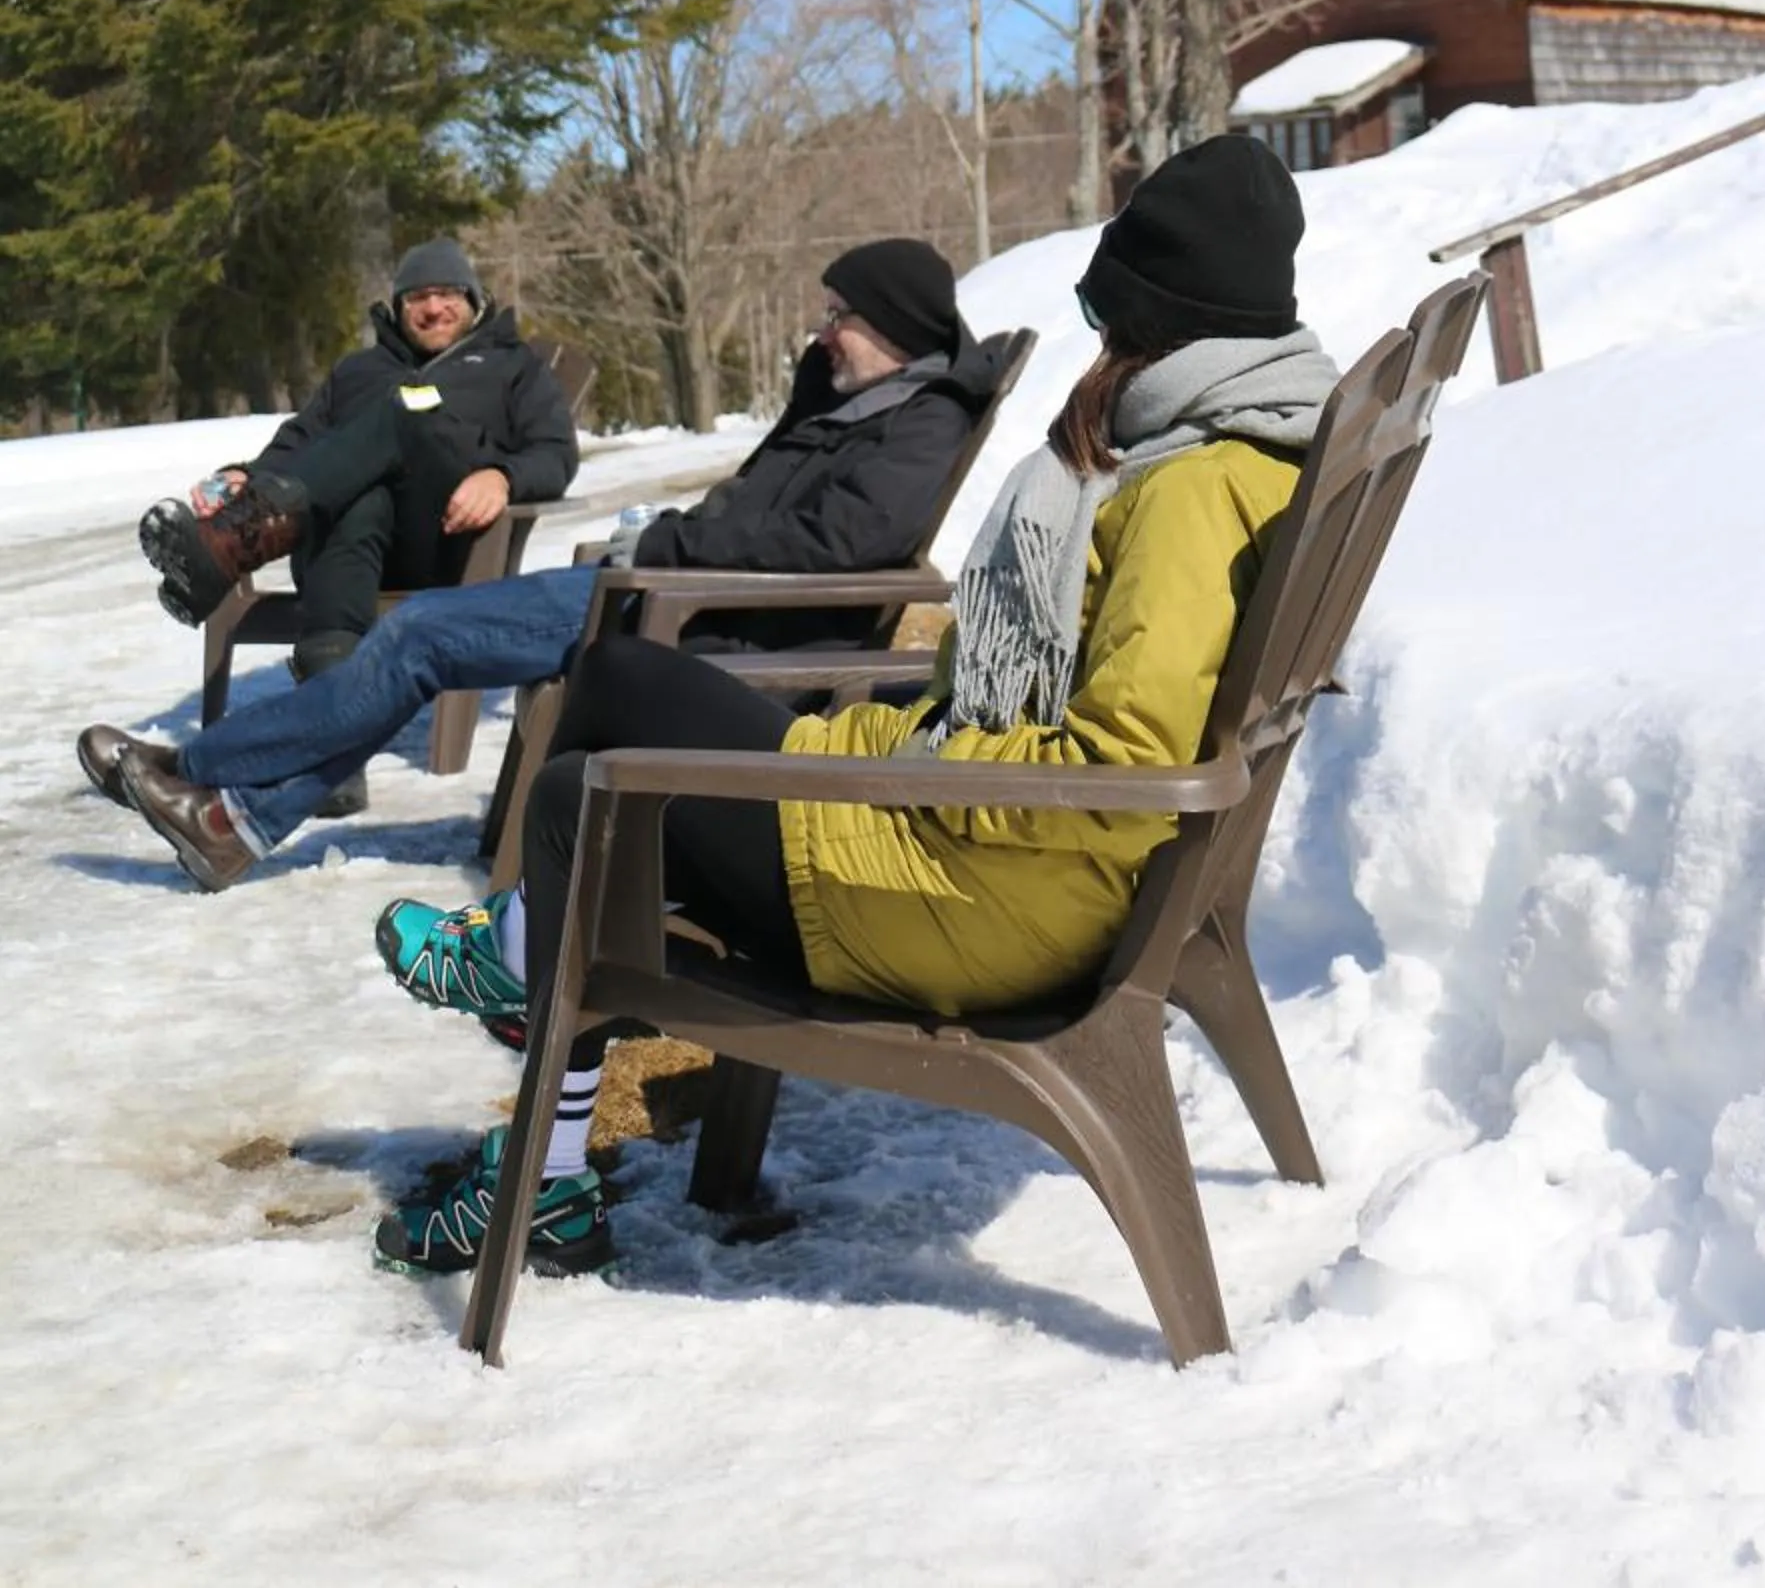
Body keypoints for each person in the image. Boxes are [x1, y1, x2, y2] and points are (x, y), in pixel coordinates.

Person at [367, 134, 1341, 1281]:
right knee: (623, 684)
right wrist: (872, 743)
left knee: (589, 793)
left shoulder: (1188, 488)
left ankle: (535, 1101)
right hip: (990, 864)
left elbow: (1119, 770)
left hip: (973, 898)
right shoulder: (1242, 449)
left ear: (1154, 318)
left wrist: (907, 778)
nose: (1097, 343)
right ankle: (530, 1001)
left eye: (1109, 313)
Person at [81, 238, 1002, 887]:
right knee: (420, 625)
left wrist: (666, 543)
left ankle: (199, 768)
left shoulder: (921, 417)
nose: (822, 332)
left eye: (838, 317)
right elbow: (770, 513)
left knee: (424, 634)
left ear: (891, 324)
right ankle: (232, 820)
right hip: (665, 586)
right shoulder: (851, 402)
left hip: (704, 614)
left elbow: (847, 544)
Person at [125, 240, 581, 818]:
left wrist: (503, 475)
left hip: (446, 542)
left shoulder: (513, 366)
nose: (433, 308)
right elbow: (299, 440)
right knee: (357, 505)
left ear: (473, 301)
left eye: (447, 295)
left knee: (408, 412)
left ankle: (230, 548)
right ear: (397, 308)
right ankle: (333, 769)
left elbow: (556, 454)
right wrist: (249, 474)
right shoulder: (357, 370)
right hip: (349, 545)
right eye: (418, 297)